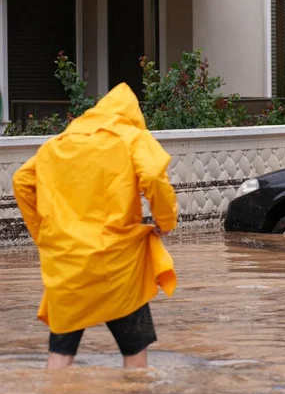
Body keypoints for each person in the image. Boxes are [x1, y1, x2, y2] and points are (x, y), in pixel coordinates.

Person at [12, 83, 179, 369]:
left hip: (67, 264)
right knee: (135, 352)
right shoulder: (131, 137)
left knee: (61, 354)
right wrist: (165, 222)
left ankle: (51, 392)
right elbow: (153, 176)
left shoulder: (59, 143)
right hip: (118, 264)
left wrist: (44, 235)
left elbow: (21, 181)